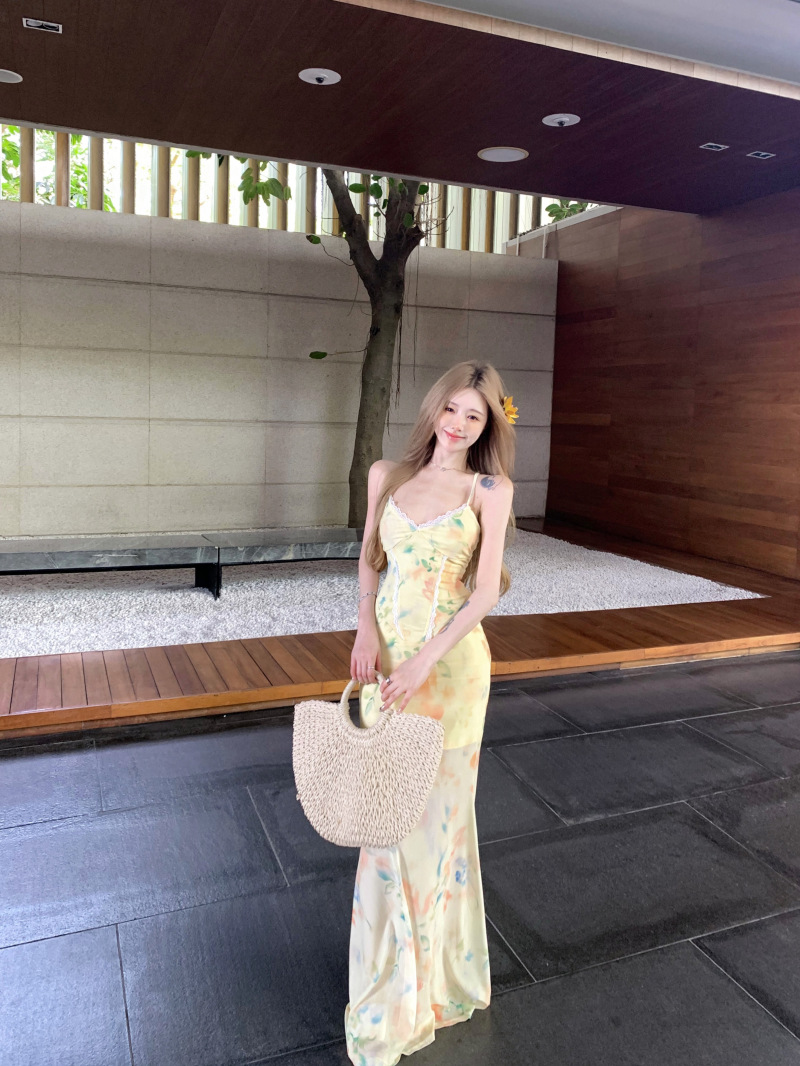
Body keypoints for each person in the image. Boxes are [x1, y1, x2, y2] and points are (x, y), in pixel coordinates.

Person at [345, 360, 517, 1066]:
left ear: (488, 426)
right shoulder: (386, 474)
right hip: (384, 667)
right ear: (434, 409)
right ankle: (394, 980)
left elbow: (485, 592)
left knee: (436, 827)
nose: (458, 424)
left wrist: (423, 662)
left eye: (474, 416)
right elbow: (369, 559)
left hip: (449, 673)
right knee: (384, 822)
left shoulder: (489, 490)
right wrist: (365, 630)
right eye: (451, 409)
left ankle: (429, 986)